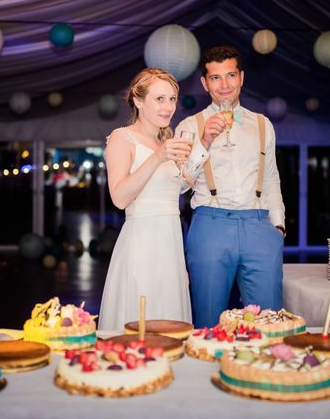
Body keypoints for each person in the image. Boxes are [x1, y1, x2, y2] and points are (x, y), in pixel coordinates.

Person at [176, 45, 286, 328]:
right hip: (211, 225)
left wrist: (278, 226)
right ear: (204, 83)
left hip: (259, 225)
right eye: (215, 78)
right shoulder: (189, 125)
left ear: (241, 78)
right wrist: (203, 142)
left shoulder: (263, 125)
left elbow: (271, 176)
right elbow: (179, 184)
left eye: (230, 75)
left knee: (268, 322)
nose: (224, 85)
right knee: (209, 321)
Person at [98, 68, 193, 331]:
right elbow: (119, 197)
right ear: (138, 101)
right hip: (142, 245)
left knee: (171, 327)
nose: (168, 107)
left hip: (171, 246)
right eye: (159, 99)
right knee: (139, 326)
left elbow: (173, 192)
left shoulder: (169, 141)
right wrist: (158, 157)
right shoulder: (122, 138)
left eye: (172, 99)